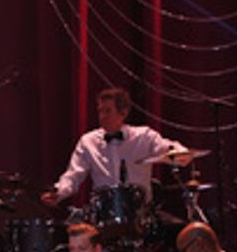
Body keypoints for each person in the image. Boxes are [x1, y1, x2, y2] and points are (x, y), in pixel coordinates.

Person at [42, 88, 189, 207]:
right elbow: (73, 176)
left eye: (108, 111)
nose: (102, 116)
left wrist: (181, 153)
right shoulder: (88, 141)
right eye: (100, 111)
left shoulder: (144, 136)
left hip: (140, 212)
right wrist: (58, 192)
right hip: (104, 213)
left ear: (123, 113)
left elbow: (168, 147)